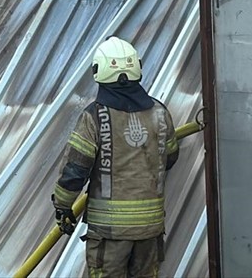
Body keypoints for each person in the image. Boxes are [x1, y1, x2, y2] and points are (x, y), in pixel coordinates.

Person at [52, 36, 180, 278]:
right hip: (150, 230)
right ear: (137, 68)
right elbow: (170, 158)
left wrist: (62, 205)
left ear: (98, 71)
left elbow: (75, 171)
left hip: (110, 235)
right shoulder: (160, 113)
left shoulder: (94, 117)